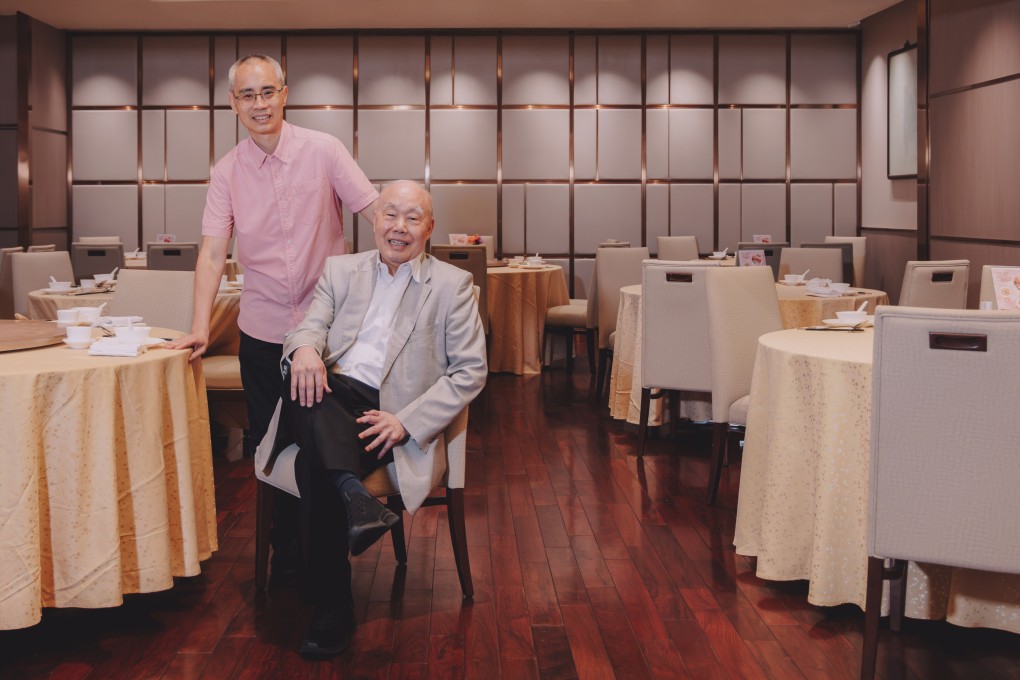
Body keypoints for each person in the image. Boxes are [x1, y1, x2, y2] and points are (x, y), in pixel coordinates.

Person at [257, 180, 487, 658]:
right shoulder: (341, 271)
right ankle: (354, 497)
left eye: (412, 217)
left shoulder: (451, 285)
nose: (398, 227)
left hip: (388, 414)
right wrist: (303, 349)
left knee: (311, 464)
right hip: (328, 393)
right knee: (303, 378)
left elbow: (471, 371)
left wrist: (406, 421)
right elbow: (309, 325)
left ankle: (335, 606)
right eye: (390, 214)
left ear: (429, 228)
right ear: (374, 218)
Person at [169, 54, 378, 579]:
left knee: (321, 437)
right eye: (247, 95)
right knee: (270, 442)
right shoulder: (226, 171)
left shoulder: (324, 150)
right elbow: (213, 253)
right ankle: (285, 548)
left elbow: (373, 211)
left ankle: (324, 549)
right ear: (234, 104)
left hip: (328, 330)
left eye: (268, 92)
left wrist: (405, 255)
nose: (259, 104)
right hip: (261, 330)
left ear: (285, 93)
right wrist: (199, 326)